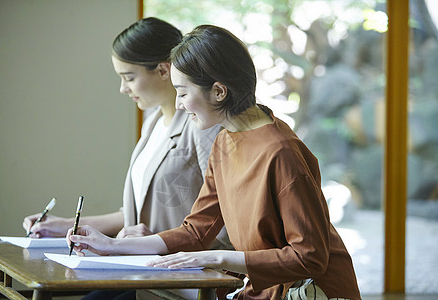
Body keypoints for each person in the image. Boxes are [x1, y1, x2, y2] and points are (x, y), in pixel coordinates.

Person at [66, 25, 361, 300]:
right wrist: (110, 245)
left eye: (182, 93)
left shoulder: (281, 152)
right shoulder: (224, 140)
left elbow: (309, 257)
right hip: (266, 289)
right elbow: (195, 231)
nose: (179, 104)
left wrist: (216, 257)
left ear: (219, 92)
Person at [23, 18, 230, 300]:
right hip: (142, 269)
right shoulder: (153, 121)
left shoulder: (203, 127)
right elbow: (139, 212)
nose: (123, 88)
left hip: (183, 276)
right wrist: (66, 225)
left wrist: (150, 242)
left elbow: (226, 220)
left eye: (129, 77)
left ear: (163, 70)